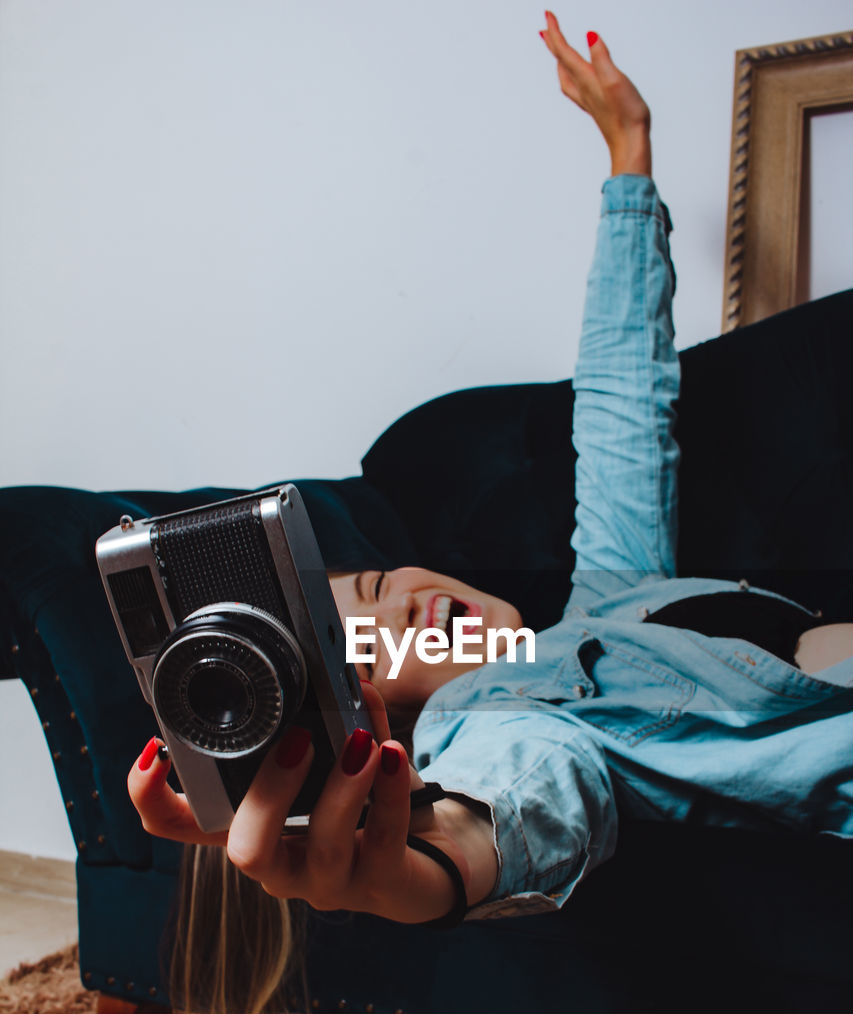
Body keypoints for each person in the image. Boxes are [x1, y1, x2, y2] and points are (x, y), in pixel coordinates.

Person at [128, 13, 853, 936]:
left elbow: (622, 407)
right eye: (364, 648)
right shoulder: (500, 722)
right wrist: (411, 872)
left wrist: (627, 156)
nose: (401, 611)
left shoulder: (612, 597)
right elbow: (502, 809)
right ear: (371, 723)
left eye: (382, 584)